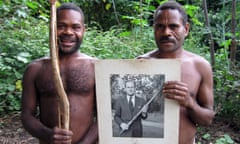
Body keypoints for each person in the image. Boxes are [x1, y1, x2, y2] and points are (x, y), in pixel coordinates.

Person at [138, 1, 215, 144]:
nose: (166, 32)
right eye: (160, 26)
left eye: (173, 26)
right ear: (154, 29)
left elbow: (208, 119)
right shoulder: (139, 64)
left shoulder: (200, 66)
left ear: (186, 29)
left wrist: (190, 103)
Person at [21, 3, 98, 144]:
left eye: (76, 27)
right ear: (52, 28)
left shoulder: (96, 67)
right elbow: (27, 116)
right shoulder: (35, 69)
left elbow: (106, 115)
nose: (68, 32)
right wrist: (48, 135)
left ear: (83, 30)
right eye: (61, 26)